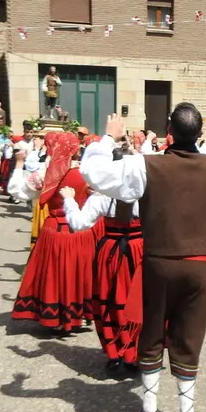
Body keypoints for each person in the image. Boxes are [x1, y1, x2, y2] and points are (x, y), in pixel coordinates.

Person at [81, 107, 206, 412]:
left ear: (168, 129)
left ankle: (150, 407)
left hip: (159, 262)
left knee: (152, 332)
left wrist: (108, 136)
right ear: (198, 134)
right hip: (198, 267)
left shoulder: (146, 164)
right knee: (189, 337)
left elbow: (94, 172)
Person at [62, 137, 143, 375]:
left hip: (110, 252)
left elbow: (78, 224)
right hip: (138, 250)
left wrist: (69, 200)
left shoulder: (100, 197)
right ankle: (134, 354)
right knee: (137, 301)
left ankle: (114, 353)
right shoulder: (145, 194)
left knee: (108, 301)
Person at [9, 131, 101, 333]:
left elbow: (15, 189)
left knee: (56, 273)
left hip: (55, 230)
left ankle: (56, 315)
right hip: (82, 230)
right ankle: (80, 313)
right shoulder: (88, 173)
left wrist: (18, 165)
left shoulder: (46, 174)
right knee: (80, 271)